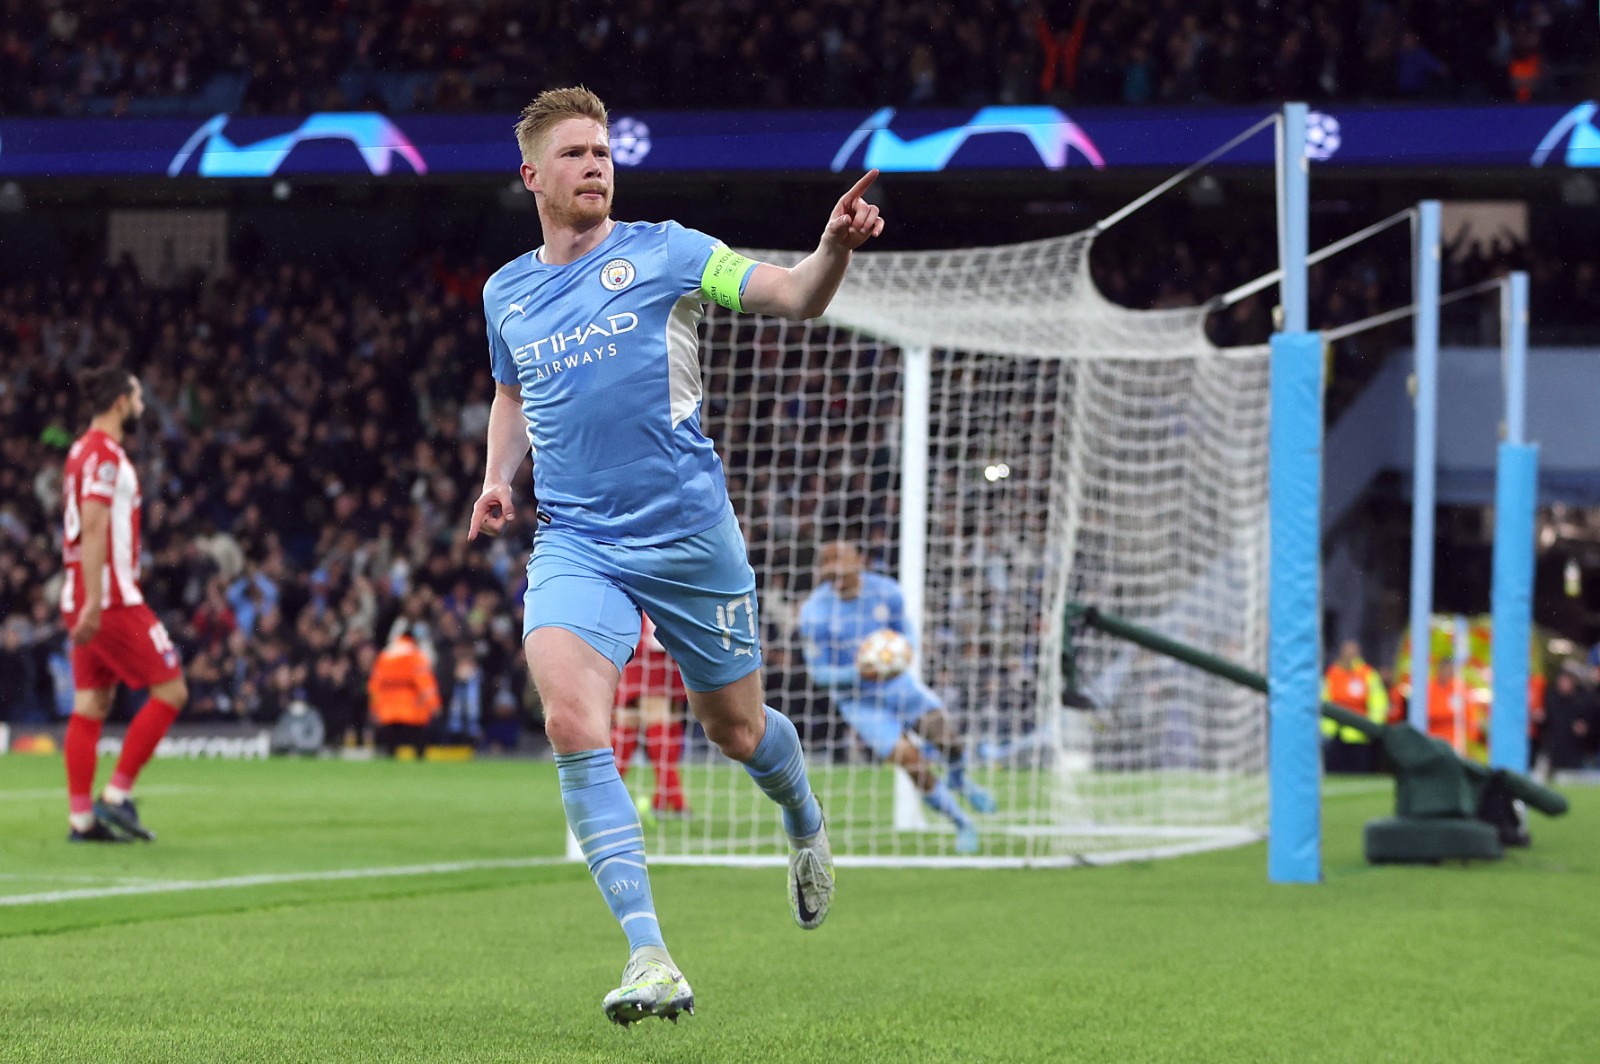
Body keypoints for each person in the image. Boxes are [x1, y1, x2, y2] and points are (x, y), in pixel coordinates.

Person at [465, 86, 883, 1025]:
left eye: (603, 151)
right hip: (576, 538)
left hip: (690, 536)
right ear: (532, 176)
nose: (595, 165)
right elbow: (510, 391)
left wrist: (832, 249)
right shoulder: (505, 292)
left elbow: (793, 297)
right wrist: (497, 476)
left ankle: (804, 817)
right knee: (572, 719)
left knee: (738, 732)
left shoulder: (669, 251)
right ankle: (648, 954)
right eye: (574, 154)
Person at [797, 540, 995, 855]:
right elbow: (819, 674)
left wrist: (902, 654)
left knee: (948, 740)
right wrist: (859, 673)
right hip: (859, 702)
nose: (835, 571)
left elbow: (907, 633)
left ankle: (959, 780)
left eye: (841, 562)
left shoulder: (886, 592)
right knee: (911, 761)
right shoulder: (814, 613)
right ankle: (962, 823)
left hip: (898, 685)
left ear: (859, 561)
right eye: (828, 564)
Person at [58, 366, 188, 843]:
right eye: (136, 397)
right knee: (171, 691)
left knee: (92, 703)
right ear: (118, 402)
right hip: (110, 599)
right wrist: (96, 601)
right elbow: (93, 526)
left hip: (81, 593)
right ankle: (116, 795)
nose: (141, 405)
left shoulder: (79, 450)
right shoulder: (105, 456)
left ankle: (81, 820)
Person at [612, 614, 691, 817]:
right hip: (652, 648)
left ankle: (664, 798)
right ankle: (674, 800)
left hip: (644, 646)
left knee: (632, 722)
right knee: (651, 719)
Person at [366, 627, 441, 757]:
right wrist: (434, 705)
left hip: (388, 708)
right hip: (411, 708)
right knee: (418, 747)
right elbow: (425, 684)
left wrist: (373, 708)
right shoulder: (415, 656)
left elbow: (374, 685)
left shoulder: (384, 656)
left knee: (391, 749)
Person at [1320, 639, 1389, 774]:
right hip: (1335, 734)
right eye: (1347, 654)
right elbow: (1324, 700)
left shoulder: (1367, 674)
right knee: (1335, 773)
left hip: (1360, 735)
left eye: (1352, 654)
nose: (1350, 657)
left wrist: (1371, 726)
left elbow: (1379, 703)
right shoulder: (1332, 674)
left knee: (1359, 772)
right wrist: (1326, 728)